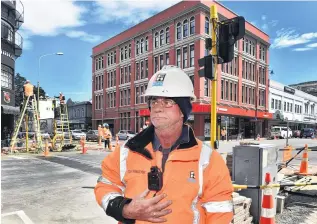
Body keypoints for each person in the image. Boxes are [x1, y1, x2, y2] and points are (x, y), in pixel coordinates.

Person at [94, 65, 233, 224]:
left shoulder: (208, 160)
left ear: (183, 110)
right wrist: (124, 209)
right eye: (154, 101)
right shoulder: (127, 151)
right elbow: (105, 186)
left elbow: (220, 212)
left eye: (167, 101)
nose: (158, 108)